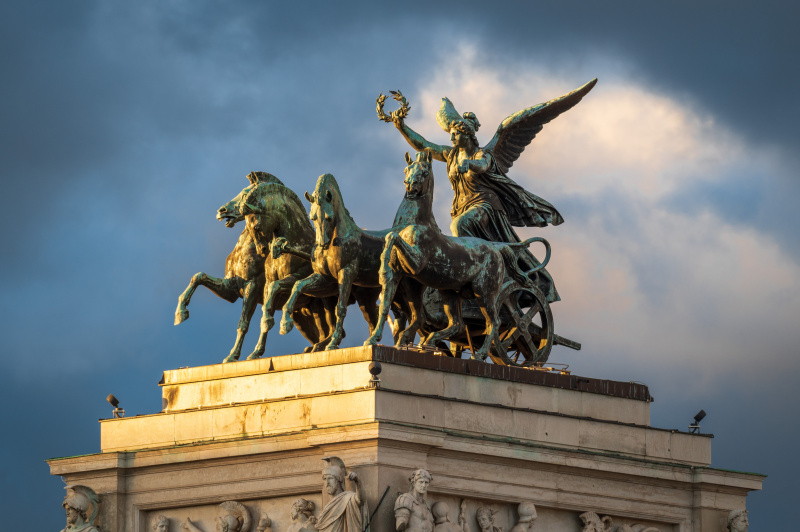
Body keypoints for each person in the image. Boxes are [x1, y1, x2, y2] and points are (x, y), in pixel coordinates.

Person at [388, 81, 597, 303]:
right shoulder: (451, 155)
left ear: (466, 135)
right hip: (461, 208)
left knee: (460, 227)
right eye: (451, 134)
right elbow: (423, 145)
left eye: (455, 134)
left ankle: (470, 270)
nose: (451, 138)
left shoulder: (482, 155)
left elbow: (483, 166)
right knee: (453, 234)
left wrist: (469, 165)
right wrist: (401, 126)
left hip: (486, 207)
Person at [315, 457, 368, 532]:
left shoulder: (347, 499)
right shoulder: (327, 509)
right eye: (325, 479)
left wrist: (357, 481)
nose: (327, 483)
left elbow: (361, 500)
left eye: (330, 478)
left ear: (338, 480)